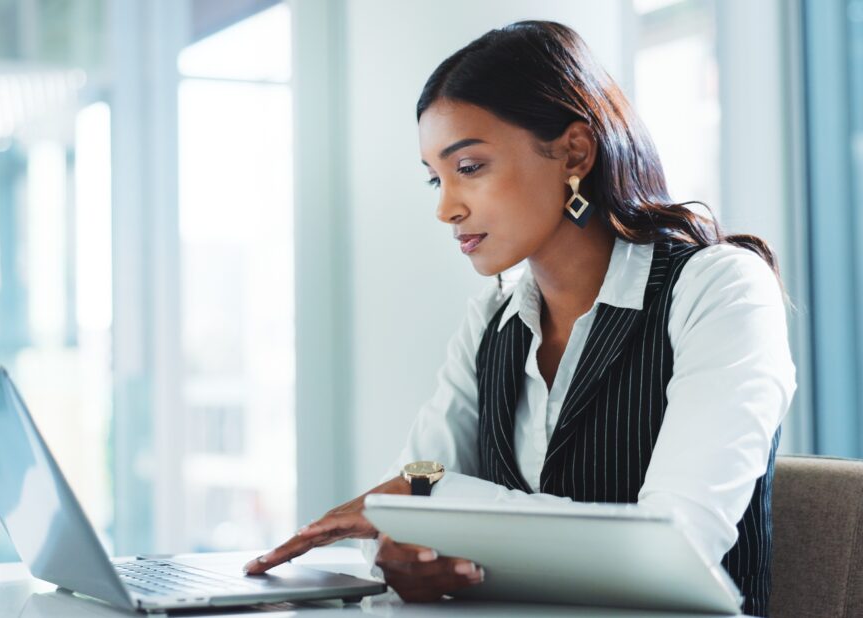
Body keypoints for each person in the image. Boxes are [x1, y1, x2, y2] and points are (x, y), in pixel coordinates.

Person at [243, 19, 796, 617]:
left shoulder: (720, 290)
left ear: (574, 152)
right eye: (435, 177)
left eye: (470, 167)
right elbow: (407, 496)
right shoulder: (491, 322)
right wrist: (401, 554)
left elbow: (677, 545)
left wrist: (438, 497)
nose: (446, 207)